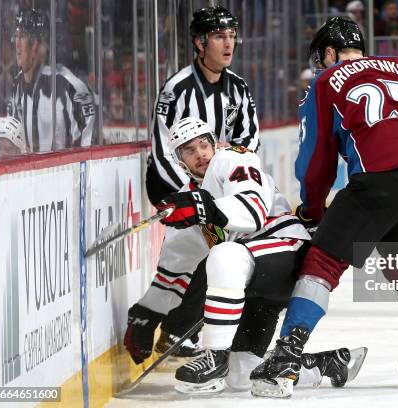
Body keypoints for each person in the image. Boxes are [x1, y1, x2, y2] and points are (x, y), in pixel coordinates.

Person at [250, 17, 398, 398]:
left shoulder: (324, 82)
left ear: (330, 53)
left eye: (321, 57)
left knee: (323, 261)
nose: (319, 66)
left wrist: (314, 209)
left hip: (382, 178)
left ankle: (284, 359)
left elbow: (316, 159)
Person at [125, 117, 366, 394]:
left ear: (214, 144)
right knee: (242, 375)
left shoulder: (232, 160)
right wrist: (146, 316)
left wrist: (202, 208)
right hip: (253, 282)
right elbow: (173, 273)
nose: (200, 154)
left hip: (285, 252)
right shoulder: (188, 200)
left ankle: (214, 355)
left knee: (225, 255)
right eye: (189, 150)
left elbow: (251, 212)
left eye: (204, 144)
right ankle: (324, 364)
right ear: (180, 161)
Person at [142, 6, 260, 358]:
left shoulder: (238, 88)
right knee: (206, 247)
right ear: (199, 42)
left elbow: (250, 140)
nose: (228, 43)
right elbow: (162, 150)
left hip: (216, 187)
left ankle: (179, 328)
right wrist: (190, 194)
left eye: (231, 36)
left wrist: (225, 182)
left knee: (225, 250)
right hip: (175, 184)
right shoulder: (177, 89)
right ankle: (177, 329)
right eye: (220, 36)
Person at [8, 9, 96, 152]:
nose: (16, 44)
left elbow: (89, 139)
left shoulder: (68, 86)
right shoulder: (17, 84)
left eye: (22, 36)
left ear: (37, 44)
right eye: (16, 36)